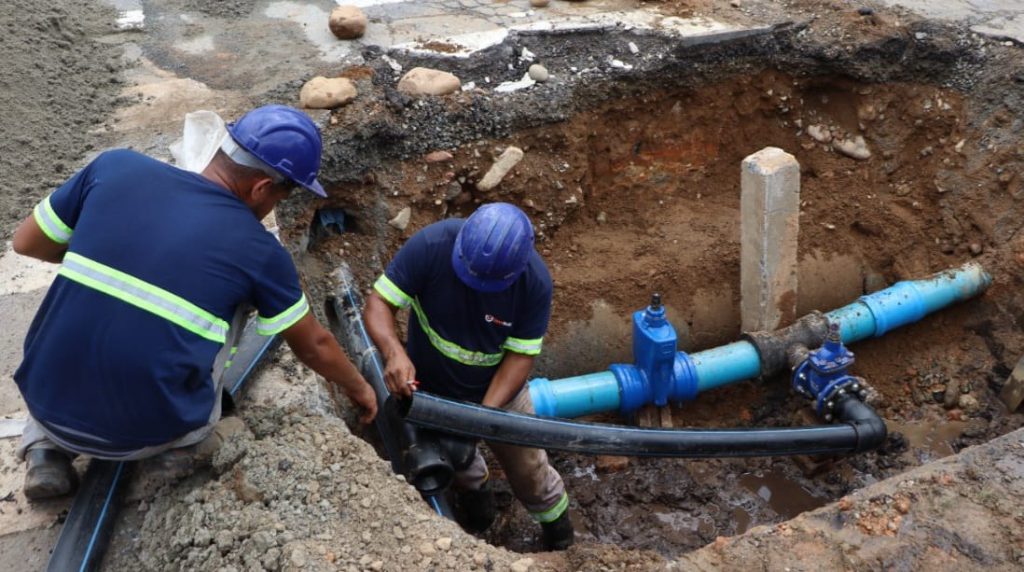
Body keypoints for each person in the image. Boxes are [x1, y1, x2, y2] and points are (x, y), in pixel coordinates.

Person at [11, 104, 377, 500]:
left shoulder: (113, 168)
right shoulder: (259, 251)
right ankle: (187, 444)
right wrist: (361, 389)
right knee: (237, 302)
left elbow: (26, 242)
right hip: (144, 434)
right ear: (260, 188)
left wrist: (106, 255)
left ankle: (46, 452)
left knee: (81, 292)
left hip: (43, 401)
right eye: (284, 194)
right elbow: (315, 345)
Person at [364, 202, 574, 551]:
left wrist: (479, 420)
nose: (475, 287)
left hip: (500, 396)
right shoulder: (432, 246)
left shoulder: (534, 283)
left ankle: (561, 541)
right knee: (459, 465)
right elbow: (378, 304)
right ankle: (480, 524)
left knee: (531, 475)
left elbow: (520, 357)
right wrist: (393, 351)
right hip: (431, 391)